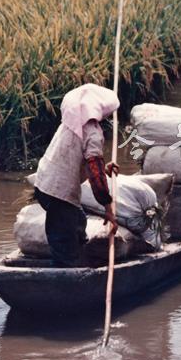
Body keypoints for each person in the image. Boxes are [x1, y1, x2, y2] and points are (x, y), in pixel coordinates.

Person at [34, 83, 120, 267]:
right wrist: (108, 207)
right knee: (63, 242)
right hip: (60, 193)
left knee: (79, 222)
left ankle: (78, 257)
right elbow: (96, 176)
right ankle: (63, 276)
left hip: (44, 184)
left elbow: (77, 160)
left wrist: (104, 168)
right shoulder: (93, 133)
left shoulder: (69, 124)